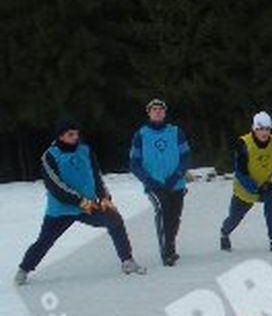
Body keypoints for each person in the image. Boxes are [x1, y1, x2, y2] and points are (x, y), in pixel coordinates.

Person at [15, 117, 145, 284]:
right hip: (61, 210)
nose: (75, 137)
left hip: (88, 206)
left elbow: (96, 176)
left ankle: (127, 261)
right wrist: (81, 201)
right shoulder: (50, 156)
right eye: (70, 134)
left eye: (76, 133)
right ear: (60, 136)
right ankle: (24, 269)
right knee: (45, 241)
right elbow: (56, 187)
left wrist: (104, 198)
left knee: (115, 220)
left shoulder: (85, 150)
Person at [129, 98, 191, 265]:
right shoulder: (141, 135)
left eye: (160, 109)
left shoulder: (176, 132)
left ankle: (170, 244)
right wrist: (148, 181)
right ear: (148, 113)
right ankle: (167, 253)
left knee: (174, 217)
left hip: (176, 183)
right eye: (154, 109)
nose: (157, 112)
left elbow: (186, 156)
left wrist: (177, 175)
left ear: (165, 113)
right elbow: (134, 163)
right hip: (154, 185)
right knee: (163, 212)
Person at [219, 111, 272, 252]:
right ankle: (224, 232)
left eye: (267, 129)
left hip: (266, 186)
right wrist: (254, 189)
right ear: (254, 129)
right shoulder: (244, 143)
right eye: (260, 129)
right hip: (245, 188)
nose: (264, 133)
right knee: (235, 217)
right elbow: (240, 172)